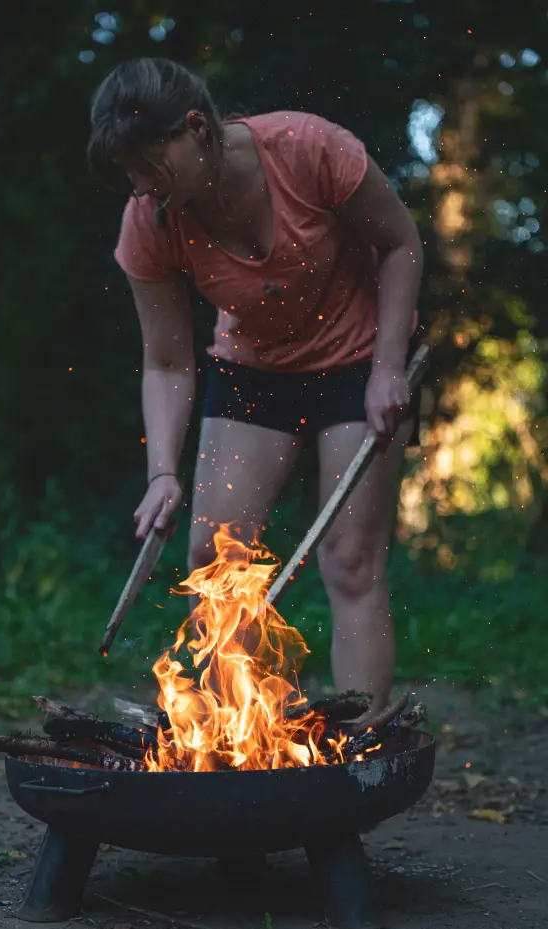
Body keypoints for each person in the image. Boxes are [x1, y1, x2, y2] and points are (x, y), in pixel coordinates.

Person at [88, 57, 423, 713]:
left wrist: (388, 368)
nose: (142, 189)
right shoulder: (150, 220)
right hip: (253, 373)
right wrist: (162, 472)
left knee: (349, 560)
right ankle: (231, 746)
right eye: (130, 176)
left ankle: (360, 746)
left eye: (150, 167)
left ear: (195, 128)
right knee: (219, 563)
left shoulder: (307, 148)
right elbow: (167, 362)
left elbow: (400, 243)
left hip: (360, 360)